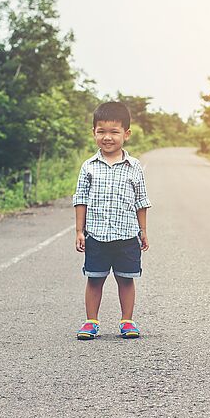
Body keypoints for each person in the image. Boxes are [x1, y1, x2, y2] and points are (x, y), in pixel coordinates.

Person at [73, 101, 151, 339]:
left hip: (127, 235)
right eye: (101, 131)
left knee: (126, 280)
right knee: (94, 279)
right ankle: (91, 322)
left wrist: (143, 230)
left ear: (126, 134)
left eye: (114, 132)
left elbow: (141, 200)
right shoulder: (89, 167)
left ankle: (127, 321)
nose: (108, 137)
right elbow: (81, 199)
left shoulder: (134, 166)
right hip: (96, 234)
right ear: (93, 132)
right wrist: (79, 230)